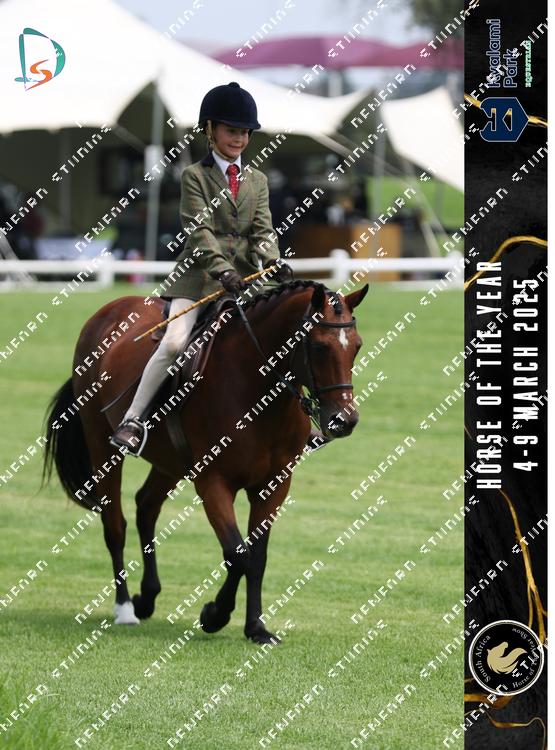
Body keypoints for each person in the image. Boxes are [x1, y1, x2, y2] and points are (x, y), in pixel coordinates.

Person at [109, 82, 292, 456]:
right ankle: (133, 419)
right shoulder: (194, 175)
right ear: (210, 130)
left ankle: (303, 420)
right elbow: (199, 229)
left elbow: (262, 230)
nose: (239, 139)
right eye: (231, 131)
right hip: (199, 278)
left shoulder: (257, 180)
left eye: (244, 132)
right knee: (175, 343)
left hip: (246, 279)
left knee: (287, 333)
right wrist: (222, 270)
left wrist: (272, 259)